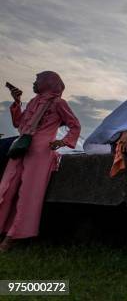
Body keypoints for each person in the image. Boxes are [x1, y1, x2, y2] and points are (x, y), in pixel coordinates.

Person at [0, 72, 81, 251]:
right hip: (21, 148)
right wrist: (16, 102)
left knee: (28, 194)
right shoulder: (34, 102)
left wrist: (63, 141)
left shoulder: (59, 103)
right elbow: (19, 124)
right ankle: (3, 228)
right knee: (6, 187)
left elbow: (74, 124)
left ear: (48, 83)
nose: (34, 83)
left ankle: (12, 237)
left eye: (37, 81)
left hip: (40, 152)